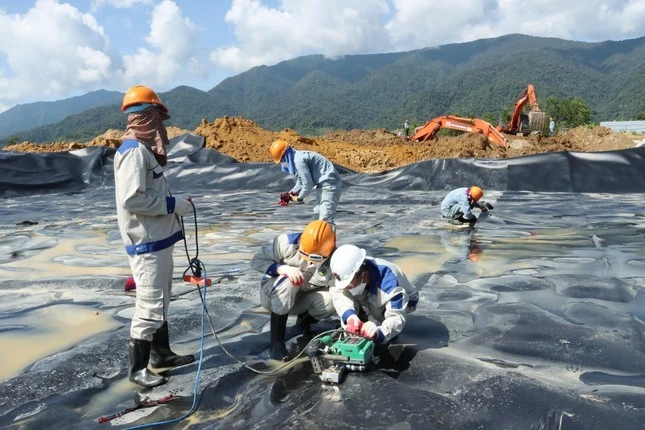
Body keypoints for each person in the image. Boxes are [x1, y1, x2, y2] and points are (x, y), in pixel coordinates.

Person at [114, 85, 194, 388]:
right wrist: (172, 205)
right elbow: (132, 199)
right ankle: (138, 369)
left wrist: (173, 205)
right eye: (158, 117)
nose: (162, 126)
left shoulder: (143, 151)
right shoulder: (133, 153)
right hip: (146, 244)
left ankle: (161, 355)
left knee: (160, 300)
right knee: (149, 303)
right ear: (146, 117)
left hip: (159, 239)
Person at [251, 219, 338, 360]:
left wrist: (352, 318)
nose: (310, 261)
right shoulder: (285, 242)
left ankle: (304, 323)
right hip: (274, 297)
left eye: (315, 258)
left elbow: (340, 291)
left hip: (302, 298)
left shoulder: (336, 258)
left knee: (332, 300)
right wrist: (282, 269)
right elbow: (256, 261)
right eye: (306, 255)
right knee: (288, 282)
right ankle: (276, 342)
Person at [329, 244, 419, 344]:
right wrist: (350, 316)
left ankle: (378, 319)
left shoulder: (389, 284)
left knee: (376, 314)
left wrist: (379, 332)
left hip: (405, 301)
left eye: (349, 284)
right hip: (369, 288)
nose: (347, 288)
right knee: (343, 293)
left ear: (364, 274)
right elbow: (337, 291)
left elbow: (396, 317)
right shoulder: (349, 270)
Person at [270, 140, 342, 226]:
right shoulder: (296, 158)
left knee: (326, 220)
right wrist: (289, 194)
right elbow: (301, 180)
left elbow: (308, 184)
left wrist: (299, 198)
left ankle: (328, 239)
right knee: (317, 216)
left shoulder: (299, 160)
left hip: (329, 185)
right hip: (322, 186)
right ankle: (318, 239)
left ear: (285, 155)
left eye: (281, 160)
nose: (282, 163)